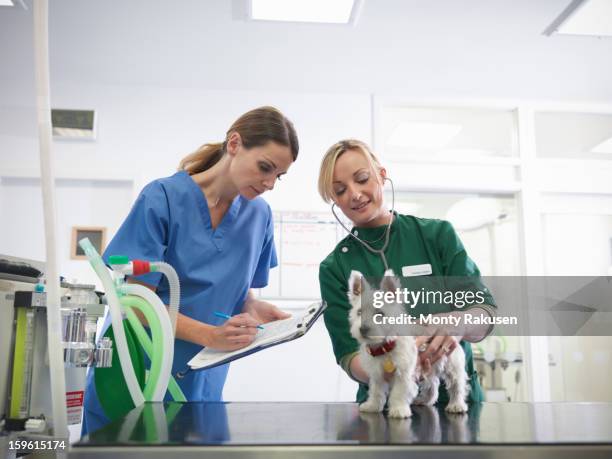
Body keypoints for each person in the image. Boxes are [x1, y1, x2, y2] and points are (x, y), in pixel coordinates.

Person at [82, 106, 299, 434]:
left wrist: (259, 311)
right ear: (235, 144)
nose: (270, 183)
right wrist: (210, 335)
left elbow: (242, 295)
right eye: (265, 168)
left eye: (278, 175)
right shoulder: (163, 198)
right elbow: (135, 305)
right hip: (136, 369)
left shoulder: (259, 217)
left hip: (201, 377)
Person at [318, 139, 496, 405]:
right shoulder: (335, 267)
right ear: (334, 200)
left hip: (454, 406)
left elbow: (484, 312)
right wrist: (396, 370)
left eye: (362, 178)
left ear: (381, 175)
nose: (354, 194)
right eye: (340, 190)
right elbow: (348, 355)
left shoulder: (437, 236)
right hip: (386, 408)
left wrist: (458, 323)